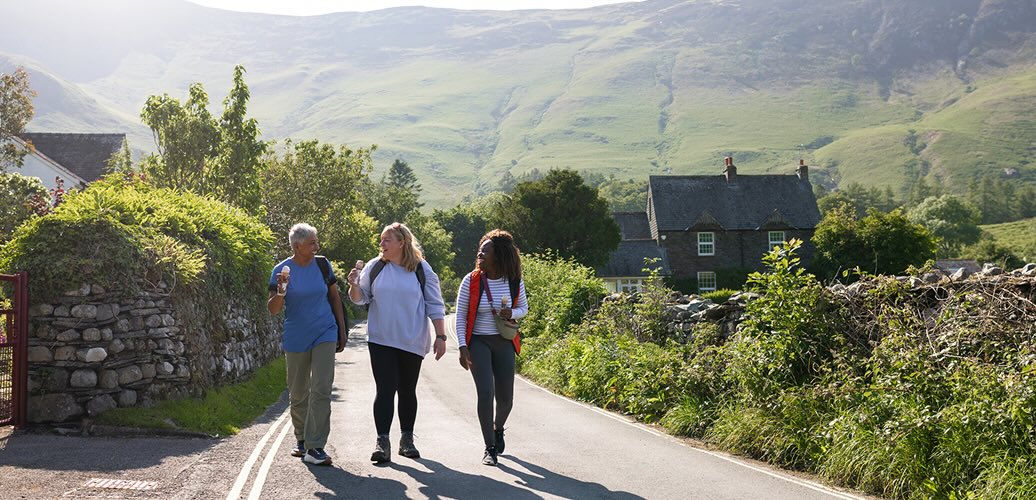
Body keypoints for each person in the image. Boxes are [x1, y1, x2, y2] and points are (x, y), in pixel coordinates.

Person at [347, 222, 447, 463]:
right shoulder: (375, 266)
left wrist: (441, 336)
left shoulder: (422, 269)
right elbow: (360, 299)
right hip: (381, 338)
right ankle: (382, 442)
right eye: (381, 239)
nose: (381, 244)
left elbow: (435, 304)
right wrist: (353, 285)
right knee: (385, 389)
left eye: (387, 240)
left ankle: (407, 440)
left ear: (402, 242)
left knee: (407, 390)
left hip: (412, 339)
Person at [267, 223, 348, 466]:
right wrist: (281, 290)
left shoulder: (323, 264)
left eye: (316, 242)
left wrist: (341, 329)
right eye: (312, 243)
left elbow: (334, 297)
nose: (317, 247)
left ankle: (315, 446)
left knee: (322, 388)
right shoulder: (281, 270)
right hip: (296, 336)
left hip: (325, 331)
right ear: (297, 246)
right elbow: (273, 309)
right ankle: (302, 439)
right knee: (298, 392)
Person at [455, 229, 528, 466]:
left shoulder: (513, 281)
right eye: (480, 249)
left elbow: (523, 308)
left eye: (485, 250)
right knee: (486, 393)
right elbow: (460, 316)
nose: (480, 253)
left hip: (504, 341)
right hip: (478, 342)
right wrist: (462, 346)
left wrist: (511, 312)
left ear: (498, 255)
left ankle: (498, 429)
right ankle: (489, 448)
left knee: (506, 398)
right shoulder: (471, 280)